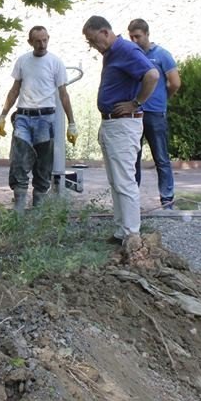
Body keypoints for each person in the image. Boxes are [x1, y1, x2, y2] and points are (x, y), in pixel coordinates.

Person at [82, 16, 159, 243]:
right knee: (116, 180)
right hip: (112, 124)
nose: (94, 46)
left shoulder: (125, 49)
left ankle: (132, 234)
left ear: (105, 32)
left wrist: (136, 102)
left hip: (124, 125)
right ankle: (122, 230)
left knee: (124, 180)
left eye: (94, 40)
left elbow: (152, 75)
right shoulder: (112, 54)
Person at [0, 26, 78, 211]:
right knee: (19, 161)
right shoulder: (23, 61)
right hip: (24, 116)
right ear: (30, 42)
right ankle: (18, 209)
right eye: (37, 41)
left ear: (48, 38)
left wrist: (71, 123)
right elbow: (15, 89)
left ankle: (38, 211)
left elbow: (63, 94)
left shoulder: (55, 62)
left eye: (44, 40)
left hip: (46, 117)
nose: (42, 44)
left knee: (43, 164)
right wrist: (3, 115)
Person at [127, 19, 181, 209]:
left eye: (137, 36)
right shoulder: (131, 55)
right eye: (131, 37)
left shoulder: (162, 55)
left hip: (155, 113)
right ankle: (132, 200)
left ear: (147, 34)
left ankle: (167, 200)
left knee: (161, 157)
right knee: (133, 158)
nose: (134, 40)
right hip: (134, 113)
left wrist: (162, 97)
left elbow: (174, 82)